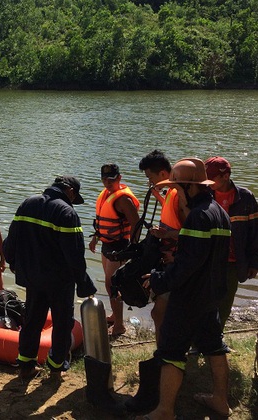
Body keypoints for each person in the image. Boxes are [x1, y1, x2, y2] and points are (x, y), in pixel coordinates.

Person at [141, 158, 232, 419]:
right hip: (211, 295)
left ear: (188, 187)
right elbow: (206, 259)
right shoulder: (220, 214)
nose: (175, 195)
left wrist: (158, 279)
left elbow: (185, 267)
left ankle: (164, 410)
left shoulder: (198, 218)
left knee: (171, 351)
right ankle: (220, 401)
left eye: (176, 190)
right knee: (215, 346)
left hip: (190, 298)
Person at [4, 176, 97, 380]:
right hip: (59, 281)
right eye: (74, 197)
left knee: (32, 320)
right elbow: (74, 255)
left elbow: (11, 240)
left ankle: (26, 366)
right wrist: (84, 284)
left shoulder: (27, 204)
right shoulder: (66, 212)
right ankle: (56, 368)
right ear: (70, 191)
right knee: (62, 323)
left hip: (33, 278)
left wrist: (12, 262)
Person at [138, 150, 187, 345]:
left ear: (163, 175)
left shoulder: (178, 196)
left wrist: (167, 235)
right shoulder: (172, 193)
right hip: (170, 263)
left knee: (159, 313)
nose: (149, 182)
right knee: (165, 313)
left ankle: (165, 355)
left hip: (176, 264)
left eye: (150, 177)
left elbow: (191, 231)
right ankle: (169, 351)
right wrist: (157, 193)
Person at [205, 156, 258, 330]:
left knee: (225, 304)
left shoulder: (246, 198)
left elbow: (255, 233)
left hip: (234, 262)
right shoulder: (205, 195)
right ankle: (198, 344)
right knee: (204, 302)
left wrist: (253, 263)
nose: (208, 181)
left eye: (212, 177)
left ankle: (217, 339)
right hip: (208, 260)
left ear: (225, 176)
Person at [88, 163, 140, 336]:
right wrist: (96, 237)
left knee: (114, 285)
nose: (107, 183)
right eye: (104, 179)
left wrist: (132, 248)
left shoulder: (123, 199)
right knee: (109, 283)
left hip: (119, 247)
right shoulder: (106, 195)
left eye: (111, 179)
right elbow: (101, 222)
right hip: (107, 244)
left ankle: (119, 325)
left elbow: (136, 225)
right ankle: (114, 315)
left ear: (119, 178)